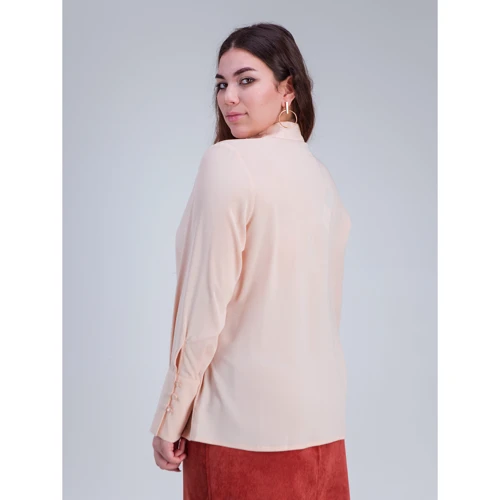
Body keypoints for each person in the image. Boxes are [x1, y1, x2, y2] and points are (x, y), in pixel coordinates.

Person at [150, 22, 352, 500]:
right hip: (322, 431)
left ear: (287, 88)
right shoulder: (320, 179)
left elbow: (203, 311)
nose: (229, 97)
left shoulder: (226, 163)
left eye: (246, 80)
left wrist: (170, 417)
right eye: (221, 84)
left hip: (237, 432)